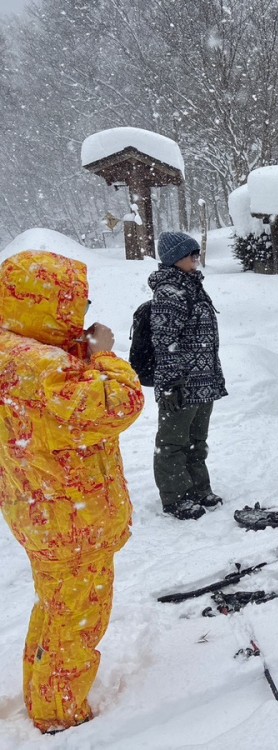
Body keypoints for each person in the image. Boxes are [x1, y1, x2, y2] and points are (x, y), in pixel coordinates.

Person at [0, 250, 144, 734]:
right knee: (76, 621)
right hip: (72, 520)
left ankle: (40, 689)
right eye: (75, 303)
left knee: (54, 607)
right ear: (50, 302)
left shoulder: (12, 350)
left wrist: (78, 355)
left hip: (39, 511)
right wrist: (103, 353)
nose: (82, 314)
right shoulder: (41, 367)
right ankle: (58, 715)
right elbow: (119, 403)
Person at [150, 232, 227, 519]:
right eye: (190, 254)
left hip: (202, 378)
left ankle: (198, 488)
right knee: (173, 442)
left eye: (197, 253)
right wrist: (170, 383)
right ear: (174, 259)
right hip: (181, 382)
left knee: (197, 439)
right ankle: (175, 498)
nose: (196, 259)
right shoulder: (170, 291)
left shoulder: (192, 286)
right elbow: (164, 340)